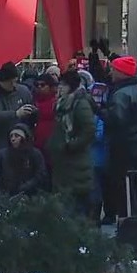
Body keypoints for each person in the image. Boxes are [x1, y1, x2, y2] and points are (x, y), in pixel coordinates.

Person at [102, 56, 137, 220]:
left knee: (122, 183)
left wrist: (100, 111)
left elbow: (116, 120)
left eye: (114, 69)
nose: (111, 73)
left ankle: (126, 219)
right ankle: (134, 216)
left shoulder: (121, 94)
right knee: (132, 182)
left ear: (122, 72)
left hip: (122, 143)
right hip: (135, 141)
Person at [0, 61, 34, 196]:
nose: (14, 85)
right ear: (2, 81)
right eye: (11, 82)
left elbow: (32, 111)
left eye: (16, 81)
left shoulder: (23, 91)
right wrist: (15, 114)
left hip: (19, 150)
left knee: (19, 183)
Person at [47, 70, 96, 217]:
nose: (59, 88)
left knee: (77, 204)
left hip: (76, 162)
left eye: (63, 85)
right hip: (63, 161)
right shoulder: (62, 103)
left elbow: (89, 129)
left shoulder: (80, 103)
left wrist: (71, 145)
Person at [0, 123, 48, 197]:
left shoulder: (35, 154)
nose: (13, 139)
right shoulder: (3, 154)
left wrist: (26, 187)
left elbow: (40, 174)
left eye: (17, 136)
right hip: (7, 196)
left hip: (31, 196)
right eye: (11, 136)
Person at [32, 73, 59, 168]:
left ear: (50, 86)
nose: (39, 87)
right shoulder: (33, 101)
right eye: (37, 85)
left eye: (43, 85)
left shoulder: (56, 102)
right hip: (36, 145)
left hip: (52, 146)